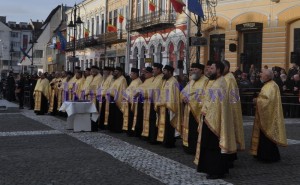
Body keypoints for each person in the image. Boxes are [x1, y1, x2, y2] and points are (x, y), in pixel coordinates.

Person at [195, 61, 237, 179]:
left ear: (218, 70)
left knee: (214, 147)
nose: (209, 70)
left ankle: (216, 171)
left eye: (212, 68)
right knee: (211, 146)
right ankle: (214, 169)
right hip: (210, 117)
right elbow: (209, 98)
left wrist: (205, 111)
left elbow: (217, 103)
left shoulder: (220, 83)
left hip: (213, 120)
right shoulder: (215, 82)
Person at [251, 69, 287, 162]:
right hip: (264, 116)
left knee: (266, 138)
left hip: (268, 117)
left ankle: (267, 157)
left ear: (267, 76)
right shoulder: (268, 85)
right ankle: (260, 154)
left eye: (262, 74)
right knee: (263, 137)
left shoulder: (272, 86)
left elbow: (268, 101)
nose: (260, 75)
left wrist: (257, 100)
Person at [181, 63, 208, 154]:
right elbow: (183, 92)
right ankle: (188, 147)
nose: (193, 71)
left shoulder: (205, 81)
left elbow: (204, 96)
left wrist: (190, 99)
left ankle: (196, 149)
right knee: (189, 129)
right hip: (188, 110)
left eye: (195, 69)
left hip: (198, 111)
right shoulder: (191, 81)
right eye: (192, 69)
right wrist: (183, 97)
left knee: (195, 130)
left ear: (201, 71)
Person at [222, 60, 245, 168]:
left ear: (226, 67)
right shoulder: (225, 77)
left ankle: (230, 158)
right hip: (225, 109)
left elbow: (231, 97)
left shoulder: (229, 79)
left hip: (229, 110)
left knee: (229, 134)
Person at [156, 65, 182, 148]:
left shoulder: (174, 81)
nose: (163, 72)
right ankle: (165, 140)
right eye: (163, 70)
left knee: (169, 126)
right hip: (163, 106)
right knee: (164, 125)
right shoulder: (165, 81)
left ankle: (170, 142)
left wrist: (169, 105)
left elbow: (174, 95)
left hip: (169, 107)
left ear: (170, 72)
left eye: (165, 71)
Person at [141, 63, 164, 142]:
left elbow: (156, 90)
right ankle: (149, 136)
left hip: (155, 102)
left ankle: (153, 138)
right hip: (149, 101)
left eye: (154, 69)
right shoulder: (155, 78)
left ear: (159, 69)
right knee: (150, 120)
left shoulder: (161, 78)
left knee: (154, 120)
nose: (153, 70)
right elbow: (149, 88)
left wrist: (145, 94)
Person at [106, 67, 128, 132]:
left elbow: (122, 90)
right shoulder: (116, 79)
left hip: (117, 99)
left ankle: (117, 128)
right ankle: (112, 128)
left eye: (116, 71)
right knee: (112, 114)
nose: (114, 73)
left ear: (120, 72)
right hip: (112, 98)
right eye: (114, 71)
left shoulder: (122, 79)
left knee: (117, 114)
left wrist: (117, 98)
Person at [122, 68, 142, 136]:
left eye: (132, 73)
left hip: (133, 103)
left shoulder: (138, 81)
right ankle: (128, 130)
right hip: (128, 102)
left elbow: (137, 92)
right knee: (129, 117)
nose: (130, 74)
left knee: (132, 118)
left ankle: (132, 131)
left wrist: (129, 98)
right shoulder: (133, 81)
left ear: (135, 74)